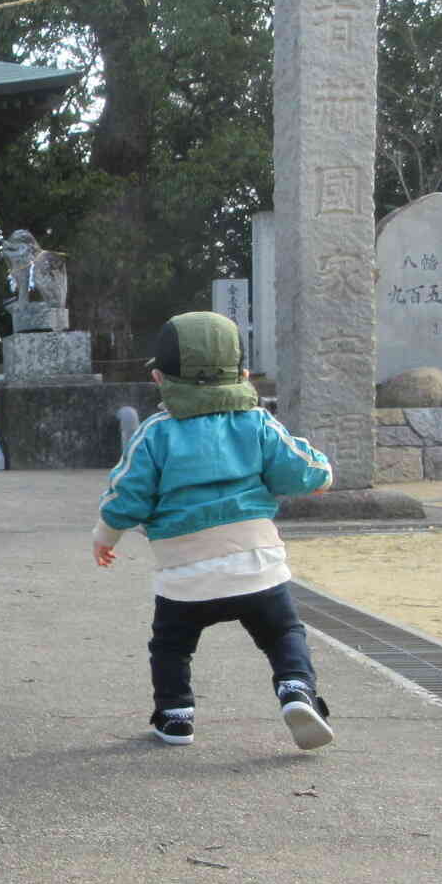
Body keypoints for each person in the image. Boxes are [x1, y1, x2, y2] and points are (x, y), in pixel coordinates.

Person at [92, 310, 336, 751]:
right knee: (283, 633)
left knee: (170, 646)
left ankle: (175, 716)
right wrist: (322, 477)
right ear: (243, 374)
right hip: (256, 565)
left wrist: (105, 537)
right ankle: (297, 690)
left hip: (185, 573)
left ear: (158, 379)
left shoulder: (154, 435)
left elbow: (127, 493)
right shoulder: (256, 422)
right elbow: (298, 468)